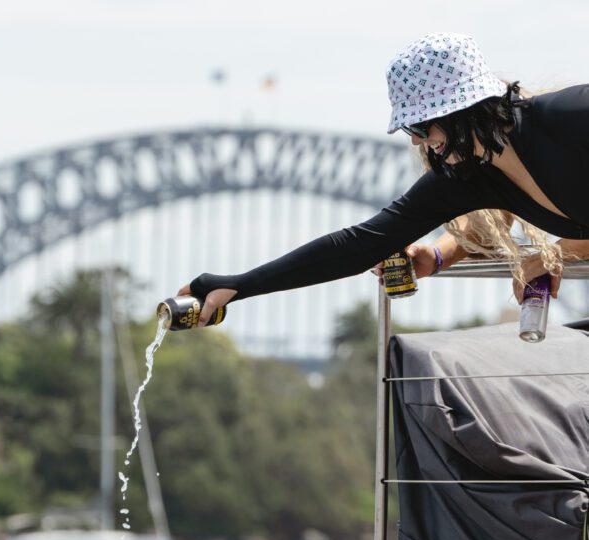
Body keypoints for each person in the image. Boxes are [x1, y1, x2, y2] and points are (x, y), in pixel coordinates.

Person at [178, 33, 589, 325]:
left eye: (421, 126)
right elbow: (359, 244)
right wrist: (239, 285)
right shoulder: (469, 177)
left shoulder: (572, 116)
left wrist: (557, 254)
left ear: (462, 110)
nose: (415, 141)